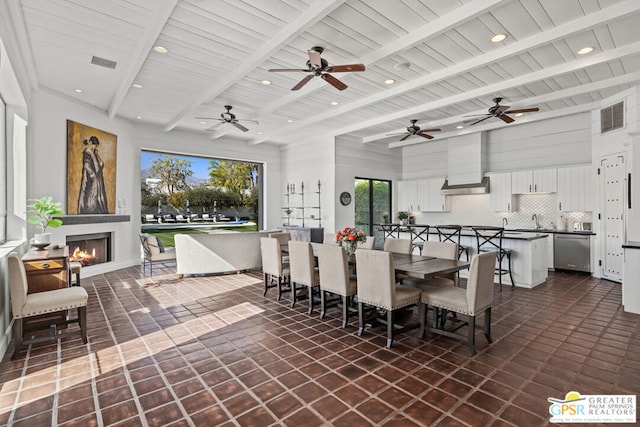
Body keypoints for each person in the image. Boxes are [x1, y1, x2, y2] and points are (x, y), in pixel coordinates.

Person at [77, 135, 108, 214]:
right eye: (94, 145)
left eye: (96, 146)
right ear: (90, 143)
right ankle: (89, 210)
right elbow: (86, 165)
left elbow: (101, 164)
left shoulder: (94, 154)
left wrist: (97, 155)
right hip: (91, 178)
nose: (95, 147)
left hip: (97, 178)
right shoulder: (87, 153)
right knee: (91, 194)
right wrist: (92, 174)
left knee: (98, 195)